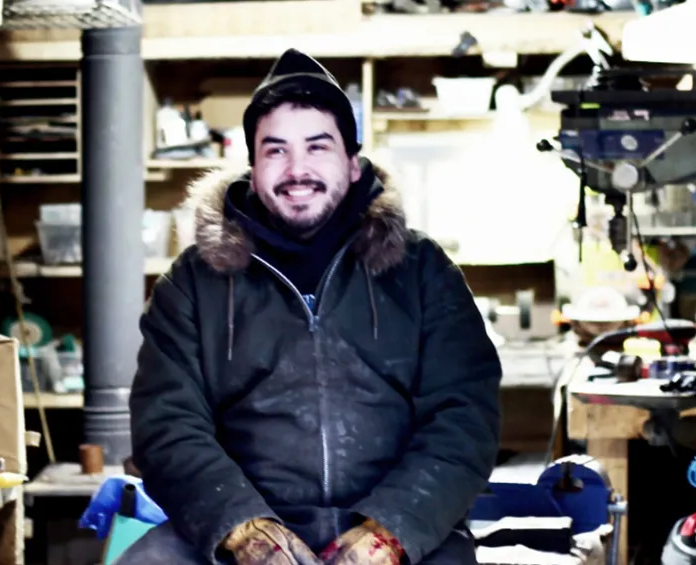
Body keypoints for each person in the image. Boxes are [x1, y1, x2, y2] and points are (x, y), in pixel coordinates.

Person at [121, 48, 502, 565]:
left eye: (317, 147)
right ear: (253, 167)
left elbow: (465, 416)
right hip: (239, 530)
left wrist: (392, 532)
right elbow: (166, 425)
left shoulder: (422, 271)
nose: (297, 169)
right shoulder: (193, 282)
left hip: (401, 530)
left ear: (352, 163)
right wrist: (244, 530)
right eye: (275, 150)